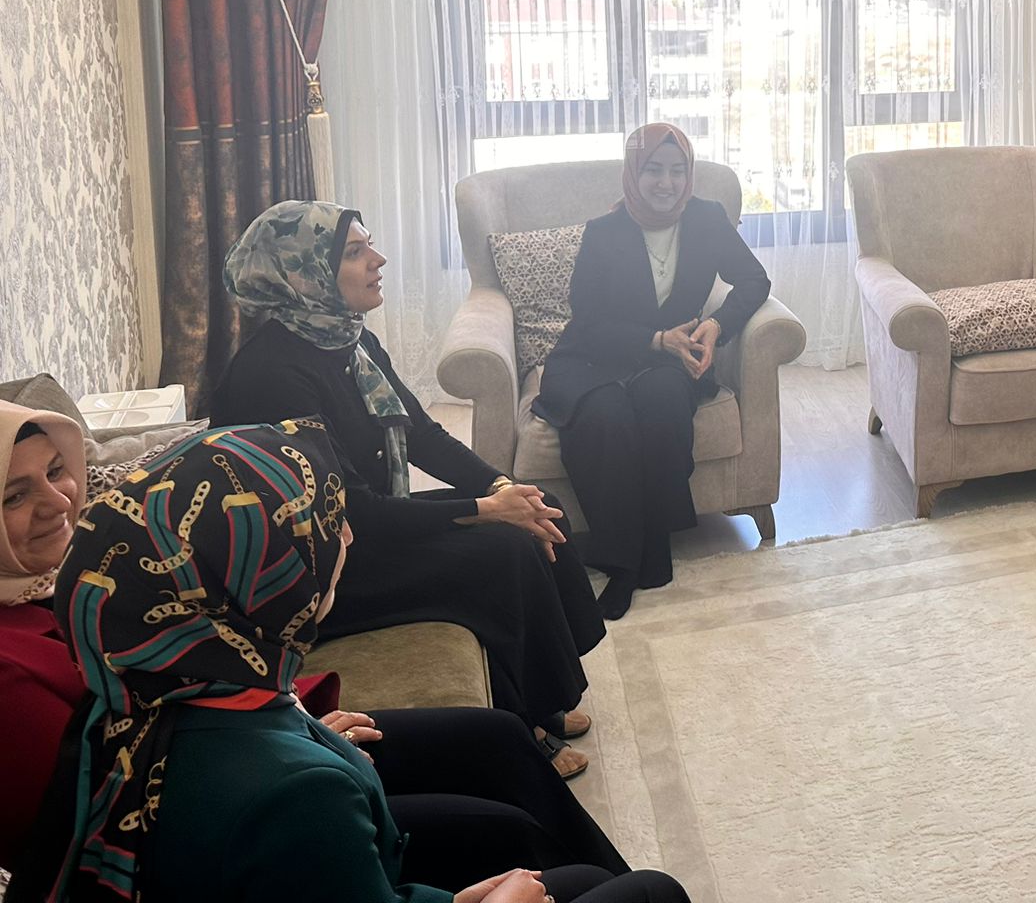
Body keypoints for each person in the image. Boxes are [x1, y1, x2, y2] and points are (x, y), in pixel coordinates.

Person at [13, 419, 688, 903]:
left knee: (581, 872)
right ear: (259, 575)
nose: (348, 536)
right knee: (652, 891)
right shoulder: (297, 794)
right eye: (324, 525)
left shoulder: (144, 685)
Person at [213, 200, 605, 775]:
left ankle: (545, 699)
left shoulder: (348, 340)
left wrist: (501, 485)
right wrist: (486, 509)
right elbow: (353, 510)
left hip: (362, 530)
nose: (378, 260)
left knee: (537, 506)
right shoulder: (274, 376)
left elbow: (420, 433)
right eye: (355, 252)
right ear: (303, 275)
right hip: (315, 571)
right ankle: (524, 730)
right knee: (501, 552)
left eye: (369, 244)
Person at [539, 123, 770, 619]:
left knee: (662, 404)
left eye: (677, 170)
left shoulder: (707, 218)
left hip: (671, 359)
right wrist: (656, 338)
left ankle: (654, 540)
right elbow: (588, 319)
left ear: (689, 174)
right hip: (597, 355)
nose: (666, 183)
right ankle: (625, 563)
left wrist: (716, 325)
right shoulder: (604, 232)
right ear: (633, 172)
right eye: (654, 170)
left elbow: (755, 280)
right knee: (606, 417)